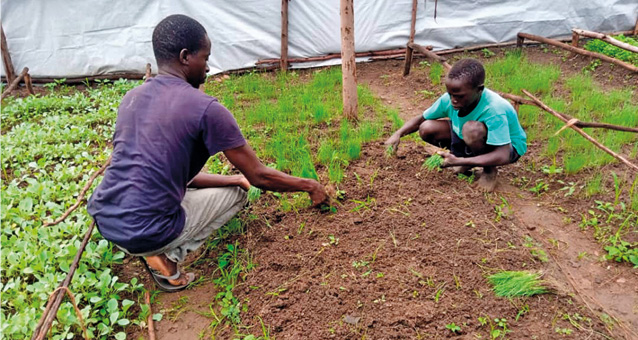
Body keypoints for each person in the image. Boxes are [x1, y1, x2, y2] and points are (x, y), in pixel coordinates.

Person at [88, 14, 328, 291]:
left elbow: (172, 173)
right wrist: (311, 186)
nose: (208, 66)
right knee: (239, 194)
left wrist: (234, 177)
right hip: (147, 231)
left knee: (228, 185)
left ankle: (147, 246)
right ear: (185, 57)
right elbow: (260, 177)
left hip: (106, 219)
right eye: (206, 57)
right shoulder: (206, 109)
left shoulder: (132, 98)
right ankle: (166, 259)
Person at [384, 58, 527, 191]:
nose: (453, 100)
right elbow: (420, 119)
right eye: (450, 94)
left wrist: (462, 160)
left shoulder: (494, 109)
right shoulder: (450, 98)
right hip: (469, 135)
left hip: (508, 147)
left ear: (479, 90)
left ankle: (489, 171)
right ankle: (463, 161)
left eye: (459, 96)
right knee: (427, 128)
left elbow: (503, 154)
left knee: (472, 129)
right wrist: (397, 134)